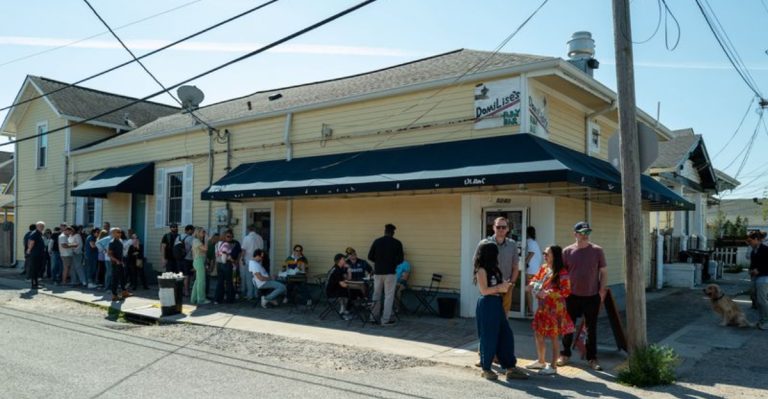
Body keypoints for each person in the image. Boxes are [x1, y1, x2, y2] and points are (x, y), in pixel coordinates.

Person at [473, 241, 528, 381]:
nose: (497, 255)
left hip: (497, 303)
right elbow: (484, 290)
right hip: (487, 304)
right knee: (489, 336)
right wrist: (499, 288)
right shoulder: (481, 270)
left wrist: (506, 285)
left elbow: (501, 284)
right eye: (495, 252)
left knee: (506, 334)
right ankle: (486, 368)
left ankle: (510, 367)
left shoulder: (495, 269)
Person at [558, 221, 607, 371]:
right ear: (575, 234)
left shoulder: (597, 250)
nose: (585, 236)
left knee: (591, 328)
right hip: (571, 296)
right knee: (568, 327)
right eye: (582, 233)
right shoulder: (567, 252)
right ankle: (565, 354)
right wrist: (562, 293)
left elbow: (603, 272)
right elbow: (562, 274)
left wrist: (602, 291)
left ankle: (592, 358)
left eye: (587, 233)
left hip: (592, 295)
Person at [525, 245, 574, 375]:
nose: (544, 256)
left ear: (555, 256)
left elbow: (566, 291)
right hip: (543, 307)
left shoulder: (562, 272)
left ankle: (553, 366)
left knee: (553, 337)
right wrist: (531, 285)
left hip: (555, 309)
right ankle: (541, 361)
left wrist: (547, 293)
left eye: (547, 254)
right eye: (544, 253)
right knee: (538, 333)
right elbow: (536, 279)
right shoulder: (544, 268)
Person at [368, 223, 404, 326]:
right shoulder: (397, 243)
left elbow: (370, 256)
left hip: (378, 272)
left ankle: (373, 317)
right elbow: (401, 259)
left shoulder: (377, 241)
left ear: (384, 231)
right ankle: (385, 320)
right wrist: (393, 263)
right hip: (390, 272)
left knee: (376, 294)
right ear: (393, 232)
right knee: (389, 296)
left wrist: (379, 261)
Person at [747, 230, 768, 330]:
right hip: (755, 277)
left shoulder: (765, 249)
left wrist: (758, 270)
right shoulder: (753, 251)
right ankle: (761, 320)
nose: (749, 243)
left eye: (750, 241)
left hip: (764, 277)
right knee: (754, 297)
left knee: (761, 300)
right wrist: (750, 270)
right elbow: (753, 264)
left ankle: (765, 321)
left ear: (756, 239)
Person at [241, 225, 264, 301]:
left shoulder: (246, 238)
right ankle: (256, 294)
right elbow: (262, 250)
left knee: (249, 279)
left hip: (249, 261)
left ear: (248, 229)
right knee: (257, 278)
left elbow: (243, 250)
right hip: (258, 261)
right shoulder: (260, 238)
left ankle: (250, 295)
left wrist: (242, 258)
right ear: (255, 229)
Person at [214, 230, 238, 304]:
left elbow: (216, 254)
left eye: (231, 236)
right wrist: (233, 261)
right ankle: (230, 299)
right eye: (228, 236)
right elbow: (225, 255)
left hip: (219, 264)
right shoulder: (226, 244)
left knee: (220, 282)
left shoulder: (218, 244)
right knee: (229, 282)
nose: (230, 238)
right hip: (226, 264)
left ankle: (217, 299)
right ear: (224, 236)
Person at [327, 253, 353, 319]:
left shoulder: (341, 268)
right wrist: (355, 285)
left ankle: (344, 310)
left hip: (337, 288)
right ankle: (343, 312)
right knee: (349, 292)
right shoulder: (336, 270)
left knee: (348, 291)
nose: (345, 260)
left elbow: (348, 279)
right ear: (340, 261)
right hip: (331, 291)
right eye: (343, 259)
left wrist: (349, 269)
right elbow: (343, 284)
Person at [107, 227, 130, 301]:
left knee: (123, 277)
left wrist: (122, 261)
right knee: (115, 279)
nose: (119, 233)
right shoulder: (112, 242)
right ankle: (114, 295)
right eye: (117, 232)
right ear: (113, 233)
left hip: (121, 262)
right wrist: (116, 261)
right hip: (115, 263)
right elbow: (109, 254)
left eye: (120, 232)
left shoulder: (120, 240)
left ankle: (124, 292)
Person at [525, 226, 543, 316]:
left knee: (528, 290)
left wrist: (525, 262)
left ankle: (531, 310)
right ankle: (534, 310)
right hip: (536, 269)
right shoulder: (535, 242)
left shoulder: (529, 242)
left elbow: (531, 253)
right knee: (535, 290)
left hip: (530, 270)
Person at [190, 227, 210, 305]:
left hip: (198, 261)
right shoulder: (196, 240)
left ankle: (193, 299)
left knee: (197, 281)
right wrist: (207, 240)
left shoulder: (197, 241)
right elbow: (205, 249)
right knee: (201, 281)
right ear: (198, 233)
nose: (204, 233)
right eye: (203, 232)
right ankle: (201, 299)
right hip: (199, 261)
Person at [25, 221, 46, 289]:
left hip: (39, 254)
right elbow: (31, 241)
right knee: (34, 269)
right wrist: (29, 249)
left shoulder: (39, 233)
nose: (42, 227)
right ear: (37, 226)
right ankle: (34, 284)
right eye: (40, 226)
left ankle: (36, 283)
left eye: (43, 226)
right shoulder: (35, 233)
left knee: (37, 269)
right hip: (35, 254)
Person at [177, 224, 195, 296]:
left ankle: (180, 290)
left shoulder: (179, 237)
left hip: (179, 259)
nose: (193, 231)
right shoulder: (191, 238)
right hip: (188, 259)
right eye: (193, 230)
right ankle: (186, 291)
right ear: (190, 230)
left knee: (180, 275)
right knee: (187, 275)